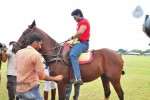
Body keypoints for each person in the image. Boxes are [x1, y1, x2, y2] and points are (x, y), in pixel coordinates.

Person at [15, 34, 63, 100]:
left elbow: (17, 68)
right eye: (40, 44)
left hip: (19, 88)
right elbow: (42, 76)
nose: (40, 47)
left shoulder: (19, 52)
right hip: (31, 90)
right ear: (35, 43)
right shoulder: (36, 54)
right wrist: (56, 78)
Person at [67, 9, 90, 85]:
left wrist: (72, 37)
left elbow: (80, 32)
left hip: (83, 44)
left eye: (74, 17)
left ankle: (78, 77)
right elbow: (78, 37)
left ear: (78, 15)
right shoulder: (79, 23)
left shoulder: (84, 22)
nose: (74, 19)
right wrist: (72, 43)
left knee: (72, 55)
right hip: (79, 43)